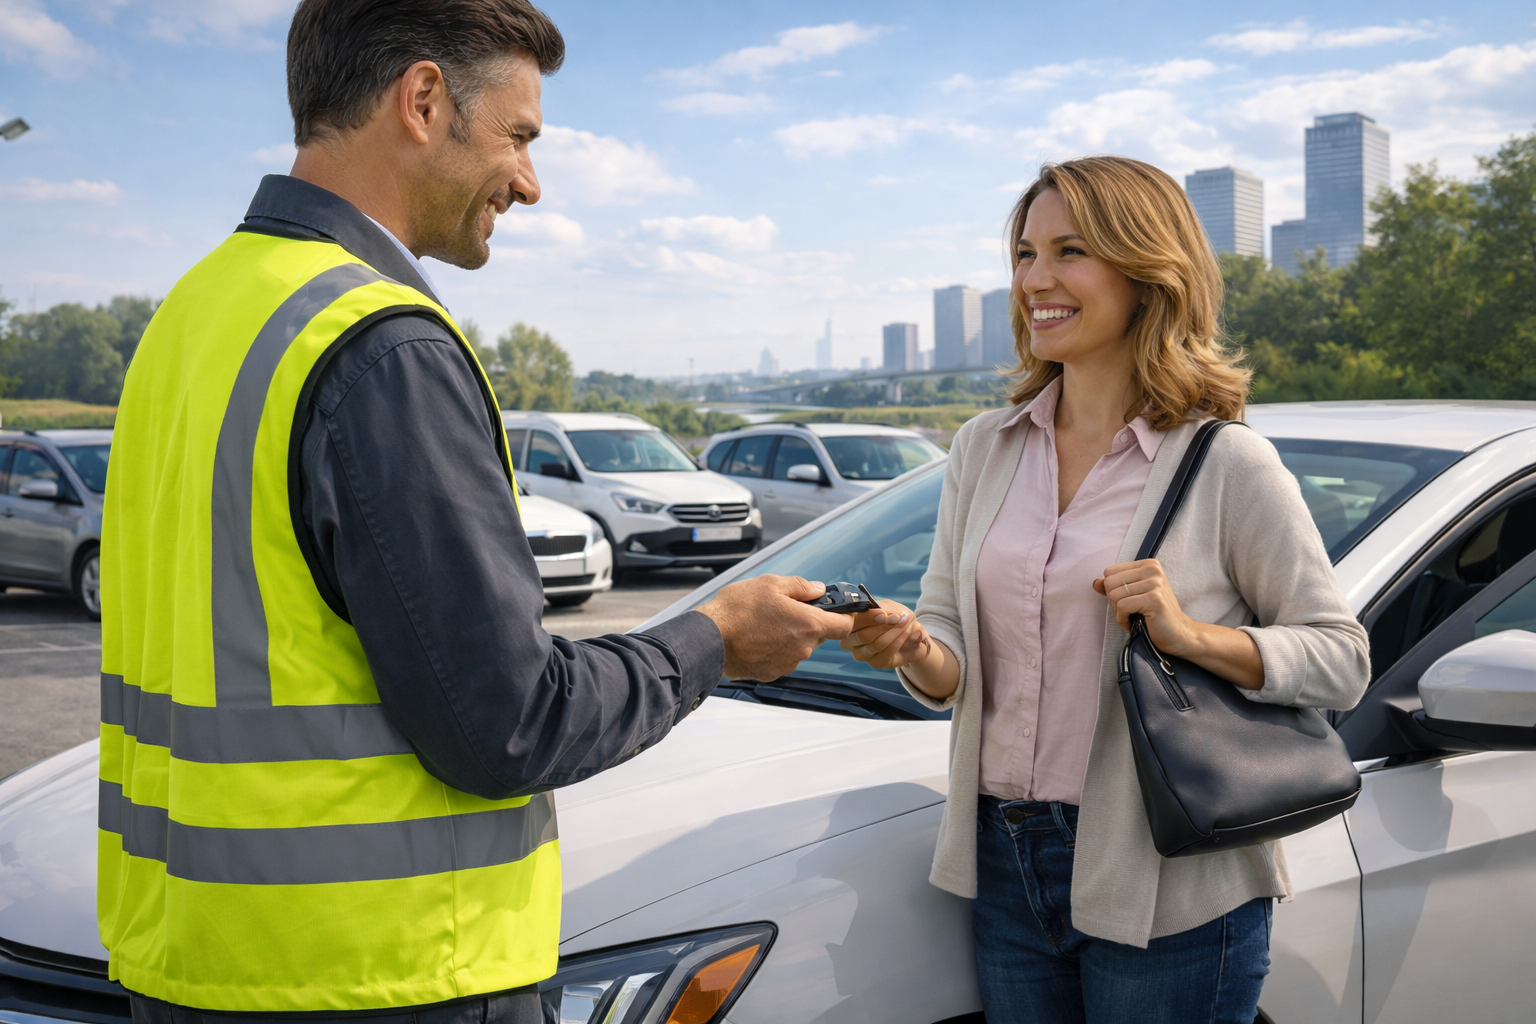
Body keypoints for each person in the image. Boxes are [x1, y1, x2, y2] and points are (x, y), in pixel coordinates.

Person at [96, 4, 852, 1024]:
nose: (531, 183)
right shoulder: (381, 344)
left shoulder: (193, 315)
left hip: (189, 966)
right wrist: (714, 638)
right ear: (422, 100)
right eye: (521, 135)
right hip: (385, 975)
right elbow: (508, 722)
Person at [842, 156, 1370, 1023]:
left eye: (1069, 251)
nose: (1034, 280)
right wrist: (913, 646)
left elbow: (1341, 659)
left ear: (1145, 271)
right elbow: (952, 650)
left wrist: (1189, 634)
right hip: (1003, 859)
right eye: (1022, 254)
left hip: (1171, 875)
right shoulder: (984, 448)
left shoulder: (1225, 461)